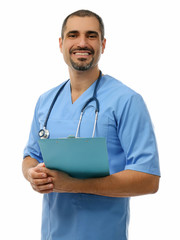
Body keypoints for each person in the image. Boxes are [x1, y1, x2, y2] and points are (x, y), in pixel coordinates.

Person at [22, 9, 160, 240]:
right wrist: (31, 174)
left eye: (91, 35)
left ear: (103, 44)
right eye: (73, 35)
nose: (82, 43)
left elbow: (148, 179)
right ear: (61, 43)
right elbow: (30, 155)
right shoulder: (46, 101)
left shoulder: (126, 100)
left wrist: (74, 184)